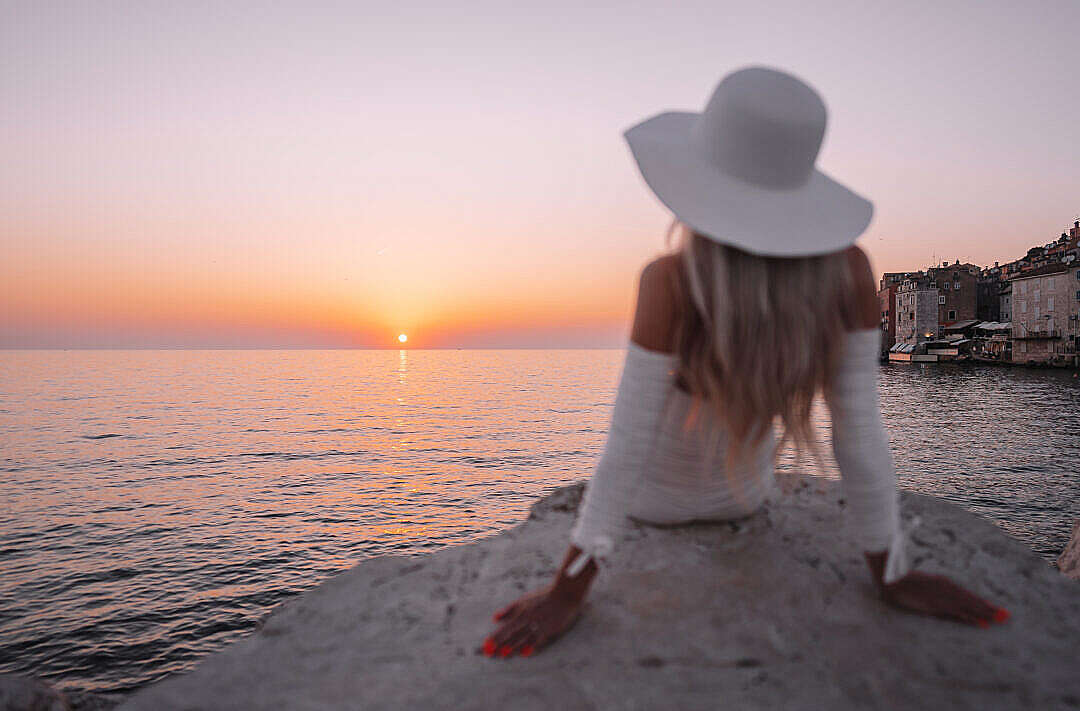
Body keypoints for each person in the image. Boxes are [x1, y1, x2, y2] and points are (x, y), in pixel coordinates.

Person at [482, 67, 1007, 659]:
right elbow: (858, 436)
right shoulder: (849, 272)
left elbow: (626, 449)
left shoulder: (671, 281)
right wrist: (889, 573)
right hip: (747, 499)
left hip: (649, 505)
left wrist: (568, 592)